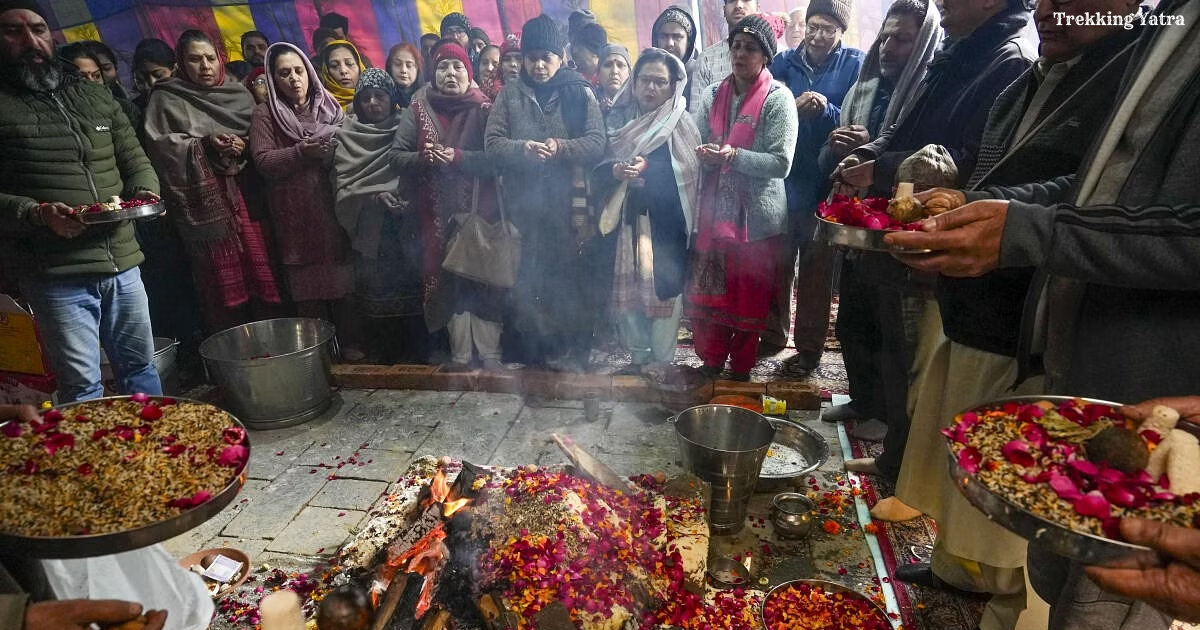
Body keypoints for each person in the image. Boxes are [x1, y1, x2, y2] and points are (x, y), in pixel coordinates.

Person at [883, 0, 1198, 626]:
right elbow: (1093, 190)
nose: (1045, 8)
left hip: (1153, 377)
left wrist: (1031, 234)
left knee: (1109, 596)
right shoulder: (1161, 26)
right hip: (1081, 354)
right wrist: (983, 206)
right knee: (1059, 572)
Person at [833, 0, 1036, 476]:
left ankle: (908, 470)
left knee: (916, 362)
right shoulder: (955, 56)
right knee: (889, 346)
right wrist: (867, 155)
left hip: (935, 238)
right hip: (903, 229)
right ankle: (894, 458)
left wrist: (880, 169)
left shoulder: (1007, 63)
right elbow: (903, 131)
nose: (942, 2)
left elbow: (970, 160)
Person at [0, 0, 163, 402]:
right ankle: (97, 464)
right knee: (82, 385)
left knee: (140, 367)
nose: (30, 40)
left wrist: (143, 192)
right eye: (13, 31)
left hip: (121, 259)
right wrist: (35, 213)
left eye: (38, 29)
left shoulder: (94, 96)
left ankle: (155, 457)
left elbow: (134, 156)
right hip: (56, 269)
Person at [816, 0, 941, 447]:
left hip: (901, 226)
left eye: (902, 38)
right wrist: (838, 147)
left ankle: (888, 413)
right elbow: (825, 162)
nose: (888, 47)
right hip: (855, 223)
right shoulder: (863, 88)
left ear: (923, 41)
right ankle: (862, 399)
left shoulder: (927, 87)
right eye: (885, 37)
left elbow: (936, 159)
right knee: (852, 316)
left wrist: (876, 153)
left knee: (891, 327)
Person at [484, 14, 606, 371]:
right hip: (523, 205)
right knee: (528, 278)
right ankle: (532, 353)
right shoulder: (509, 95)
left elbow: (597, 142)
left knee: (567, 277)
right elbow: (492, 144)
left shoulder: (580, 91)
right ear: (522, 58)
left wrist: (560, 147)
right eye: (532, 57)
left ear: (561, 57)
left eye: (546, 57)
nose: (539, 65)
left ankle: (569, 352)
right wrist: (524, 149)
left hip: (569, 205)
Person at [144, 29, 283, 335]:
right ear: (181, 63)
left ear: (221, 60)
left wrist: (243, 144)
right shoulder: (167, 97)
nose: (205, 66)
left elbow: (261, 135)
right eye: (195, 59)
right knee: (218, 279)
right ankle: (230, 346)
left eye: (210, 58)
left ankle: (272, 341)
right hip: (205, 210)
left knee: (262, 265)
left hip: (247, 196)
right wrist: (204, 144)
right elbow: (161, 146)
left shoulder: (239, 93)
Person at [689, 15, 798, 381]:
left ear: (766, 55)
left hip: (757, 221)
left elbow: (781, 162)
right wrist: (705, 154)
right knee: (712, 292)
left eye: (750, 48)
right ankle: (712, 360)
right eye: (736, 46)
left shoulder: (779, 99)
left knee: (748, 295)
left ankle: (741, 367)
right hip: (714, 211)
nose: (740, 53)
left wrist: (732, 156)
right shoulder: (710, 94)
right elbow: (695, 144)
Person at [392, 42, 507, 371]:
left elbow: (497, 160)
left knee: (482, 278)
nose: (450, 73)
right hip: (435, 215)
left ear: (468, 72)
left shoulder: (485, 108)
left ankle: (491, 356)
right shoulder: (419, 108)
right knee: (447, 281)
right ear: (433, 73)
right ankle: (459, 356)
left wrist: (457, 157)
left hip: (479, 214)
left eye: (457, 67)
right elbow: (395, 156)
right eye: (443, 67)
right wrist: (422, 157)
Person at [764, 0, 864, 369]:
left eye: (828, 29)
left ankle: (808, 349)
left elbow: (858, 117)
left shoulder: (856, 63)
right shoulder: (782, 62)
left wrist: (827, 110)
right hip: (784, 180)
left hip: (827, 183)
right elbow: (766, 104)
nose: (819, 35)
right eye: (814, 26)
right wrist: (792, 103)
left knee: (817, 271)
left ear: (841, 32)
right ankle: (772, 335)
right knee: (778, 263)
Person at [593, 48, 700, 374]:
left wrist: (647, 168)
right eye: (644, 80)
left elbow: (689, 170)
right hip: (627, 220)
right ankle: (638, 357)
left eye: (659, 82)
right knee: (629, 290)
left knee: (663, 292)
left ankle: (662, 360)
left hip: (664, 224)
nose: (650, 88)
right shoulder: (617, 118)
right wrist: (615, 172)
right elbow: (596, 165)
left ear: (673, 86)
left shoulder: (679, 121)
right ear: (634, 82)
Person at [251, 43, 355, 333]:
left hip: (333, 208)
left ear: (310, 73)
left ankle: (352, 346)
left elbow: (350, 148)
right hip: (296, 217)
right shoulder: (265, 115)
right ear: (273, 79)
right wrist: (301, 153)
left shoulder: (331, 107)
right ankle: (319, 354)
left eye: (299, 71)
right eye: (284, 73)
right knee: (309, 295)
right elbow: (263, 161)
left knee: (345, 286)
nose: (294, 78)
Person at [333, 69, 424, 363]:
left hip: (408, 221)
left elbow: (420, 169)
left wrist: (406, 195)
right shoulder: (347, 135)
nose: (373, 103)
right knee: (377, 291)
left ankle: (418, 353)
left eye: (380, 96)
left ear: (392, 99)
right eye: (366, 98)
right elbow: (343, 187)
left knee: (414, 287)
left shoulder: (407, 128)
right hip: (371, 228)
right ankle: (386, 356)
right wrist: (373, 197)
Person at [690, 0, 759, 110]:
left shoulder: (773, 55)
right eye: (732, 1)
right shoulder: (706, 59)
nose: (738, 5)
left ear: (757, 8)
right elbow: (697, 117)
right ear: (724, 11)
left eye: (745, 0)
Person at [651, 6, 698, 106]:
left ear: (689, 42)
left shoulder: (701, 74)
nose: (670, 43)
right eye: (664, 36)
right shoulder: (647, 74)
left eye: (677, 37)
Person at [320, 39, 366, 111]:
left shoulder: (375, 99)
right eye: (334, 65)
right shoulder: (319, 106)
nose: (343, 71)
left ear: (360, 67)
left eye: (349, 64)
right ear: (326, 71)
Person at [132, 38, 175, 111]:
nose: (152, 83)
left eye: (158, 75)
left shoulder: (191, 99)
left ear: (175, 70)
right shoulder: (134, 110)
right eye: (142, 79)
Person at [386, 43, 423, 109]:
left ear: (417, 68)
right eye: (398, 64)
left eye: (409, 65)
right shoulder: (382, 97)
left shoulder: (427, 97)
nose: (403, 70)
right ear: (390, 67)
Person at [595, 43, 630, 112]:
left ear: (630, 73)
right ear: (598, 74)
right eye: (608, 65)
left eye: (620, 65)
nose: (614, 71)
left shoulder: (640, 104)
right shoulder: (589, 102)